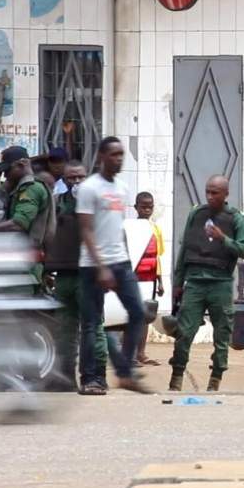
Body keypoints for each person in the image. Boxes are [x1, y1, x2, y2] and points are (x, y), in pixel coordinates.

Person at [76, 137, 149, 395]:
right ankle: (90, 379)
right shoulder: (88, 188)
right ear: (101, 157)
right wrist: (101, 266)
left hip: (120, 261)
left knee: (138, 313)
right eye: (114, 154)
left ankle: (125, 372)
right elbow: (85, 230)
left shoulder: (122, 188)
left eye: (121, 154)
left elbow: (117, 228)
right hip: (93, 266)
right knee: (92, 323)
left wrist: (125, 259)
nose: (119, 159)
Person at [169, 175, 244, 392]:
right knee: (184, 332)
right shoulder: (196, 214)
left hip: (221, 283)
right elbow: (185, 249)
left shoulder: (235, 219)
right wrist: (178, 282)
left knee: (222, 335)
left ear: (226, 194)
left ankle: (215, 380)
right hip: (195, 282)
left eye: (215, 192)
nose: (210, 196)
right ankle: (176, 378)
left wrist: (223, 238)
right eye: (208, 191)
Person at [42, 160, 108, 391]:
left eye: (80, 177)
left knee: (92, 328)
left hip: (89, 276)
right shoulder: (58, 203)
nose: (76, 182)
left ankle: (95, 377)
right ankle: (64, 378)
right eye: (71, 178)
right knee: (64, 331)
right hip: (64, 276)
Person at [0, 146, 56, 286]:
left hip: (26, 266)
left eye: (7, 170)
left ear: (21, 165)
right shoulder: (20, 188)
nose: (5, 175)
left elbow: (18, 224)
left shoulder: (31, 188)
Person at [133, 191, 164, 366]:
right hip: (134, 277)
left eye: (150, 207)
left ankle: (141, 353)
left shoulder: (155, 229)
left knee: (146, 316)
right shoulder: (131, 227)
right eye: (143, 207)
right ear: (136, 207)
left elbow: (157, 257)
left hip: (149, 278)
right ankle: (129, 355)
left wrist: (160, 282)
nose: (146, 210)